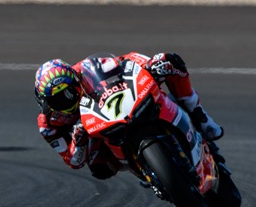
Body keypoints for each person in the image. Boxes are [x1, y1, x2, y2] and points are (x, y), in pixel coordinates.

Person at [34, 52, 224, 180]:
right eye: (58, 100)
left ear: (75, 80)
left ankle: (200, 116)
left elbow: (126, 60)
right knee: (99, 168)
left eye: (70, 92)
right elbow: (74, 161)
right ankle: (147, 170)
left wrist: (149, 64)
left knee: (169, 62)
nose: (67, 100)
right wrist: (78, 140)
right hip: (95, 133)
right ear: (45, 103)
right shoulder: (48, 124)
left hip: (119, 107)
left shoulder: (85, 70)